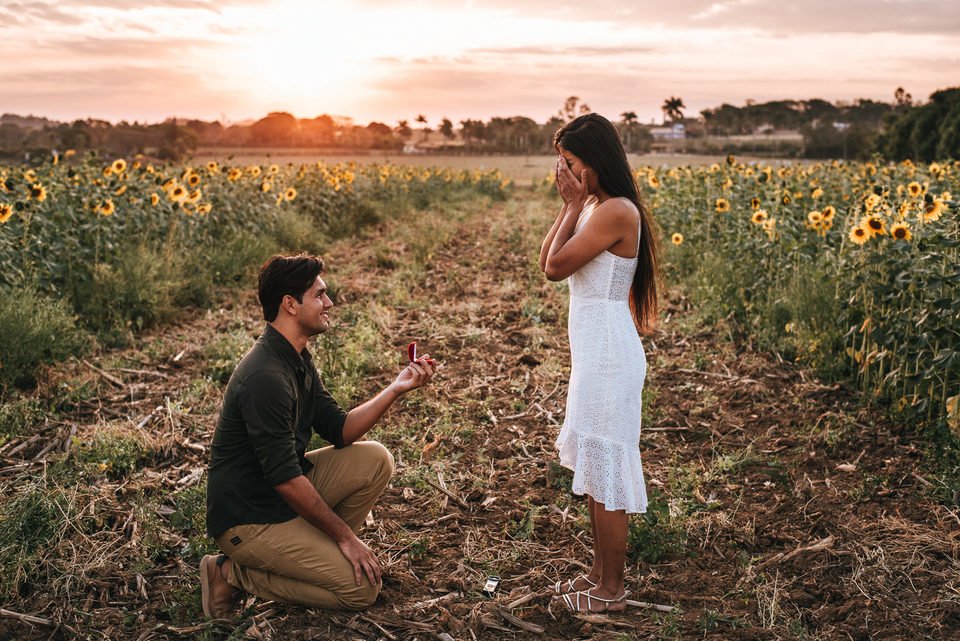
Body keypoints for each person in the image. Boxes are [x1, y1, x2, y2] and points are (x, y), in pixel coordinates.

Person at [201, 254, 437, 617]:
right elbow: (286, 480)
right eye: (320, 295)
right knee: (361, 591)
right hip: (248, 519)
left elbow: (340, 429)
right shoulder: (265, 377)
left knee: (375, 459)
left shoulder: (296, 358)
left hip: (277, 501)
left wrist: (395, 388)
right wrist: (346, 536)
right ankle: (230, 573)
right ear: (290, 304)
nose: (329, 303)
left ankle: (316, 551)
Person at [539, 114, 661, 613]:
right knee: (595, 461)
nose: (563, 174)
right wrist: (572, 205)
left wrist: (571, 205)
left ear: (594, 161)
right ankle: (597, 577)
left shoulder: (617, 211)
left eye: (569, 164)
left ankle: (612, 591)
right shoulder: (594, 207)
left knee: (607, 461)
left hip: (609, 355)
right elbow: (548, 255)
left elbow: (554, 268)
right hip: (595, 355)